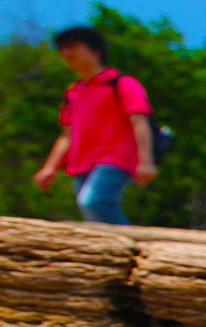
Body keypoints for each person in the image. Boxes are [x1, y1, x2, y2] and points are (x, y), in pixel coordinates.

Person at [32, 26, 158, 225]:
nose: (67, 53)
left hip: (116, 158)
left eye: (73, 46)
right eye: (62, 48)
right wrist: (49, 168)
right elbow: (67, 135)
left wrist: (146, 161)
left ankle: (131, 246)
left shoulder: (121, 83)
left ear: (95, 50)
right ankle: (112, 251)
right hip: (81, 162)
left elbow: (140, 122)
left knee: (93, 202)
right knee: (93, 217)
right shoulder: (72, 93)